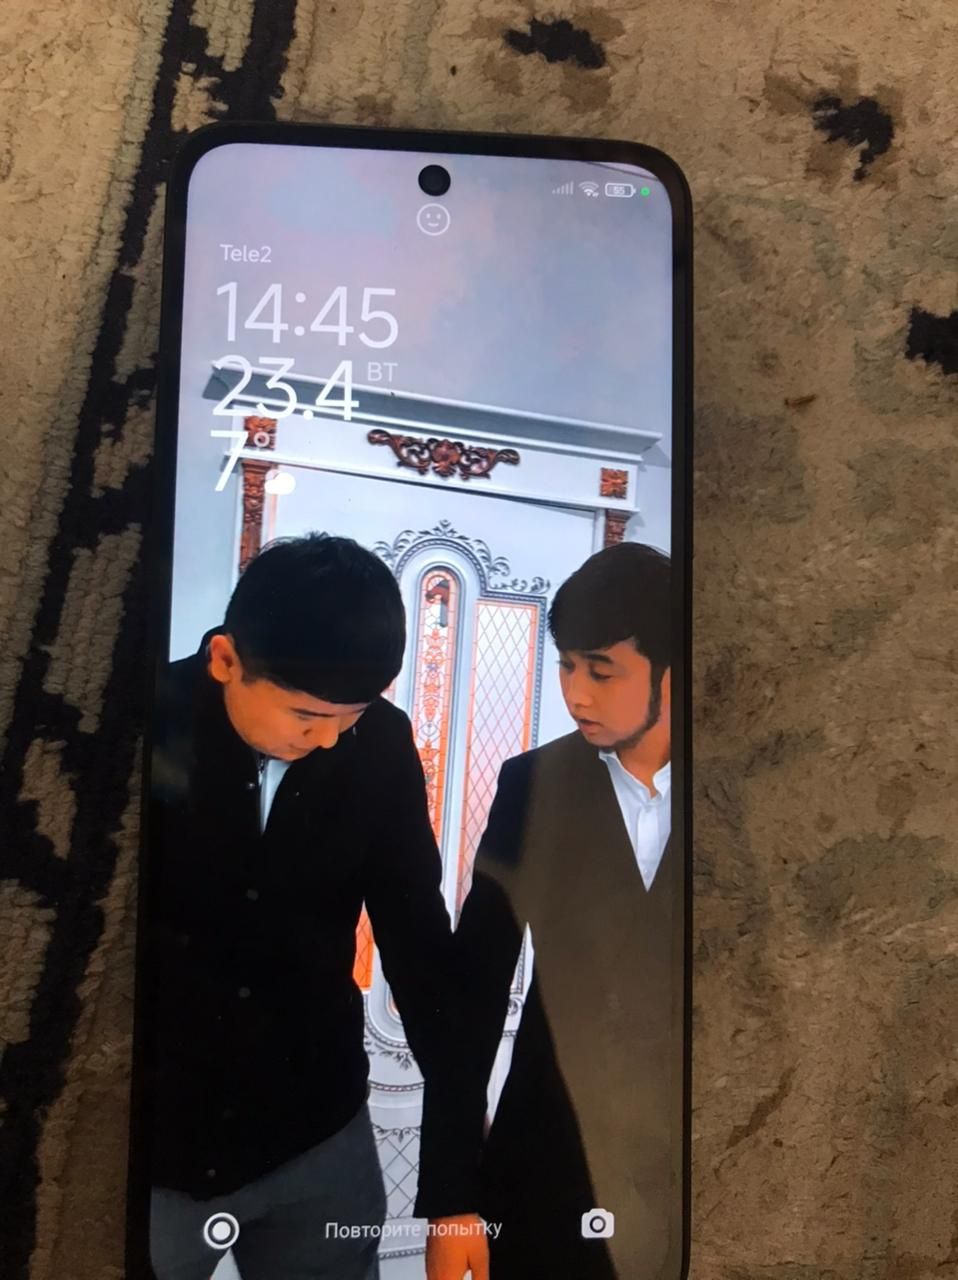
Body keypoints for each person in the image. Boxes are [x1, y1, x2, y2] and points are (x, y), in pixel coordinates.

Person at [146, 533, 481, 1280]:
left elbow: (421, 950)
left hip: (317, 1134)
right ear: (225, 660)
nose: (329, 741)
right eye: (305, 714)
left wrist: (457, 1180)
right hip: (153, 1139)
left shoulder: (380, 745)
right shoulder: (140, 719)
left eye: (349, 716)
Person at [429, 542, 681, 1280]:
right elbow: (473, 995)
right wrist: (451, 1199)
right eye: (567, 666)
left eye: (601, 671)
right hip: (547, 1167)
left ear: (673, 670)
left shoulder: (738, 794)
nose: (576, 694)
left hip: (696, 1165)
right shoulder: (533, 786)